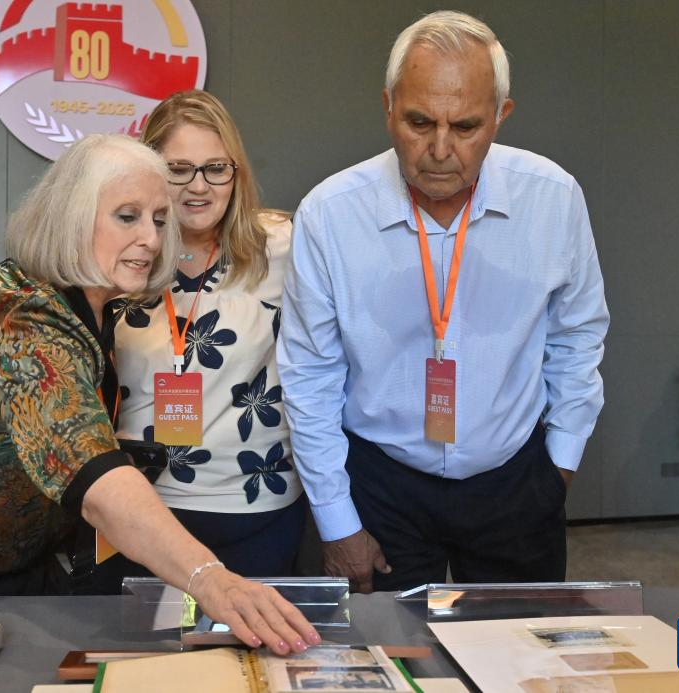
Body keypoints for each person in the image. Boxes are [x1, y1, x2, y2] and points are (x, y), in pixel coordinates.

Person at [0, 134, 320, 655]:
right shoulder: (14, 317)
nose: (151, 238)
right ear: (70, 218)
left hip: (9, 560)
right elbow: (93, 474)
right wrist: (212, 579)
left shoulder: (97, 302)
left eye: (160, 219)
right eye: (127, 217)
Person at [277, 11, 609, 593]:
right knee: (389, 646)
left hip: (514, 480)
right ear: (388, 107)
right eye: (419, 121)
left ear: (501, 115)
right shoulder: (330, 214)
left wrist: (559, 465)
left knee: (517, 645)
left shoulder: (552, 198)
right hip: (381, 483)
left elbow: (577, 336)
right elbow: (310, 376)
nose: (439, 149)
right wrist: (336, 521)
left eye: (466, 126)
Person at [98, 90, 304, 587]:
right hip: (144, 510)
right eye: (178, 169)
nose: (198, 186)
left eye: (215, 168)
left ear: (236, 172)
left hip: (257, 504)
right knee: (149, 640)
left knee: (254, 637)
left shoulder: (282, 245)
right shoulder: (121, 253)